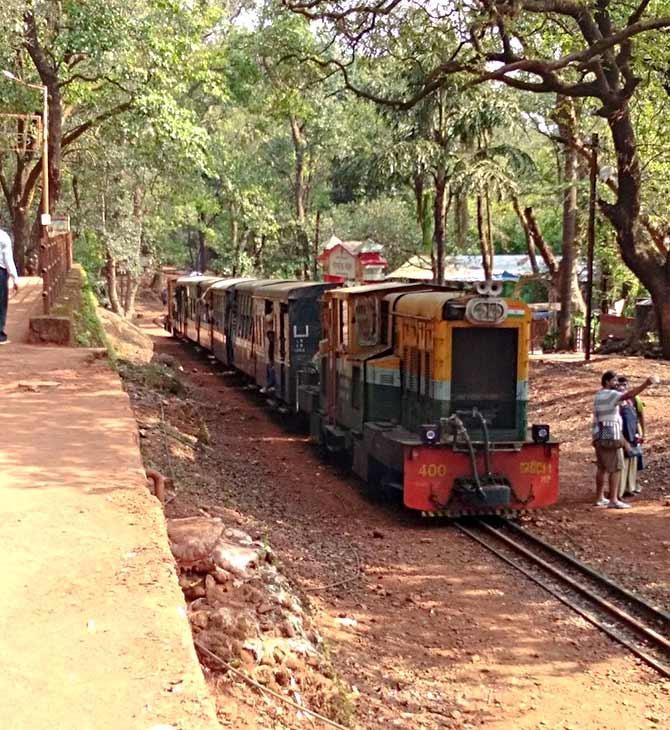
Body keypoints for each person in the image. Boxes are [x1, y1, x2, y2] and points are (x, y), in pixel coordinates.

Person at [593, 370, 655, 509]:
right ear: (607, 382)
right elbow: (629, 395)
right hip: (611, 434)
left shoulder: (599, 395)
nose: (617, 383)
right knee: (616, 467)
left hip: (600, 433)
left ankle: (599, 498)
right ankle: (613, 500)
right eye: (614, 381)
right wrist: (646, 384)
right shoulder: (612, 394)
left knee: (602, 467)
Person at [617, 376, 644, 498]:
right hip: (620, 437)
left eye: (625, 385)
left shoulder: (634, 400)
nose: (622, 387)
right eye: (620, 384)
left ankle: (630, 487)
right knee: (621, 464)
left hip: (633, 434)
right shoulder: (614, 400)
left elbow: (640, 416)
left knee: (633, 462)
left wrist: (642, 432)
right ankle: (618, 492)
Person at [0, 227, 20, 345]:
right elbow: (8, 259)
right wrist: (15, 278)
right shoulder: (3, 237)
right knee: (1, 303)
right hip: (0, 272)